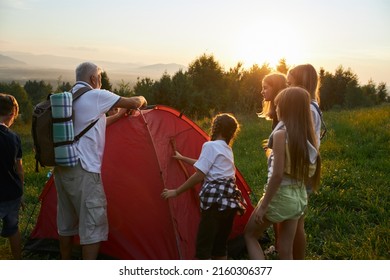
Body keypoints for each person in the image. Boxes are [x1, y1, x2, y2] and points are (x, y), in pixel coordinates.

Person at [53, 62, 147, 260]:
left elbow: (94, 124)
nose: (101, 81)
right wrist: (142, 98)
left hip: (63, 168)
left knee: (66, 223)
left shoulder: (70, 97)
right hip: (85, 171)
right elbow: (134, 102)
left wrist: (119, 115)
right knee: (92, 226)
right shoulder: (96, 95)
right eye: (100, 78)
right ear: (93, 79)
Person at [244, 87, 321, 259]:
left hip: (280, 196)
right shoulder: (307, 137)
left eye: (278, 105)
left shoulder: (280, 135)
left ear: (285, 108)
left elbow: (277, 175)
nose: (276, 108)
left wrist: (263, 206)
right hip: (299, 196)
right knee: (286, 248)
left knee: (250, 235)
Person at [161, 113, 246, 260]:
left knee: (203, 248)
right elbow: (207, 164)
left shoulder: (210, 145)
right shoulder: (226, 148)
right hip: (230, 202)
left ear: (215, 128)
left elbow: (200, 175)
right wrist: (182, 158)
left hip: (215, 202)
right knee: (219, 247)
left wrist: (176, 192)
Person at [286, 63, 322, 259]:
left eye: (290, 83)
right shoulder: (314, 106)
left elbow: (299, 139)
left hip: (299, 170)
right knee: (298, 221)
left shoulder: (308, 108)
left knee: (296, 222)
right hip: (306, 168)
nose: (287, 87)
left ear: (300, 84)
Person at [258, 72, 287, 254]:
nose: (262, 92)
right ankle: (279, 246)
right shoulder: (277, 114)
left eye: (265, 87)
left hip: (281, 176)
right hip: (281, 172)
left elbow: (281, 153)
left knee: (278, 211)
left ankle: (280, 246)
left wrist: (269, 153)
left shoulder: (281, 116)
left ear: (276, 88)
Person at [0, 93, 24, 259]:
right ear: (11, 114)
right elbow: (19, 168)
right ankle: (17, 260)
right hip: (11, 192)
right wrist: (21, 192)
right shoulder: (14, 137)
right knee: (13, 228)